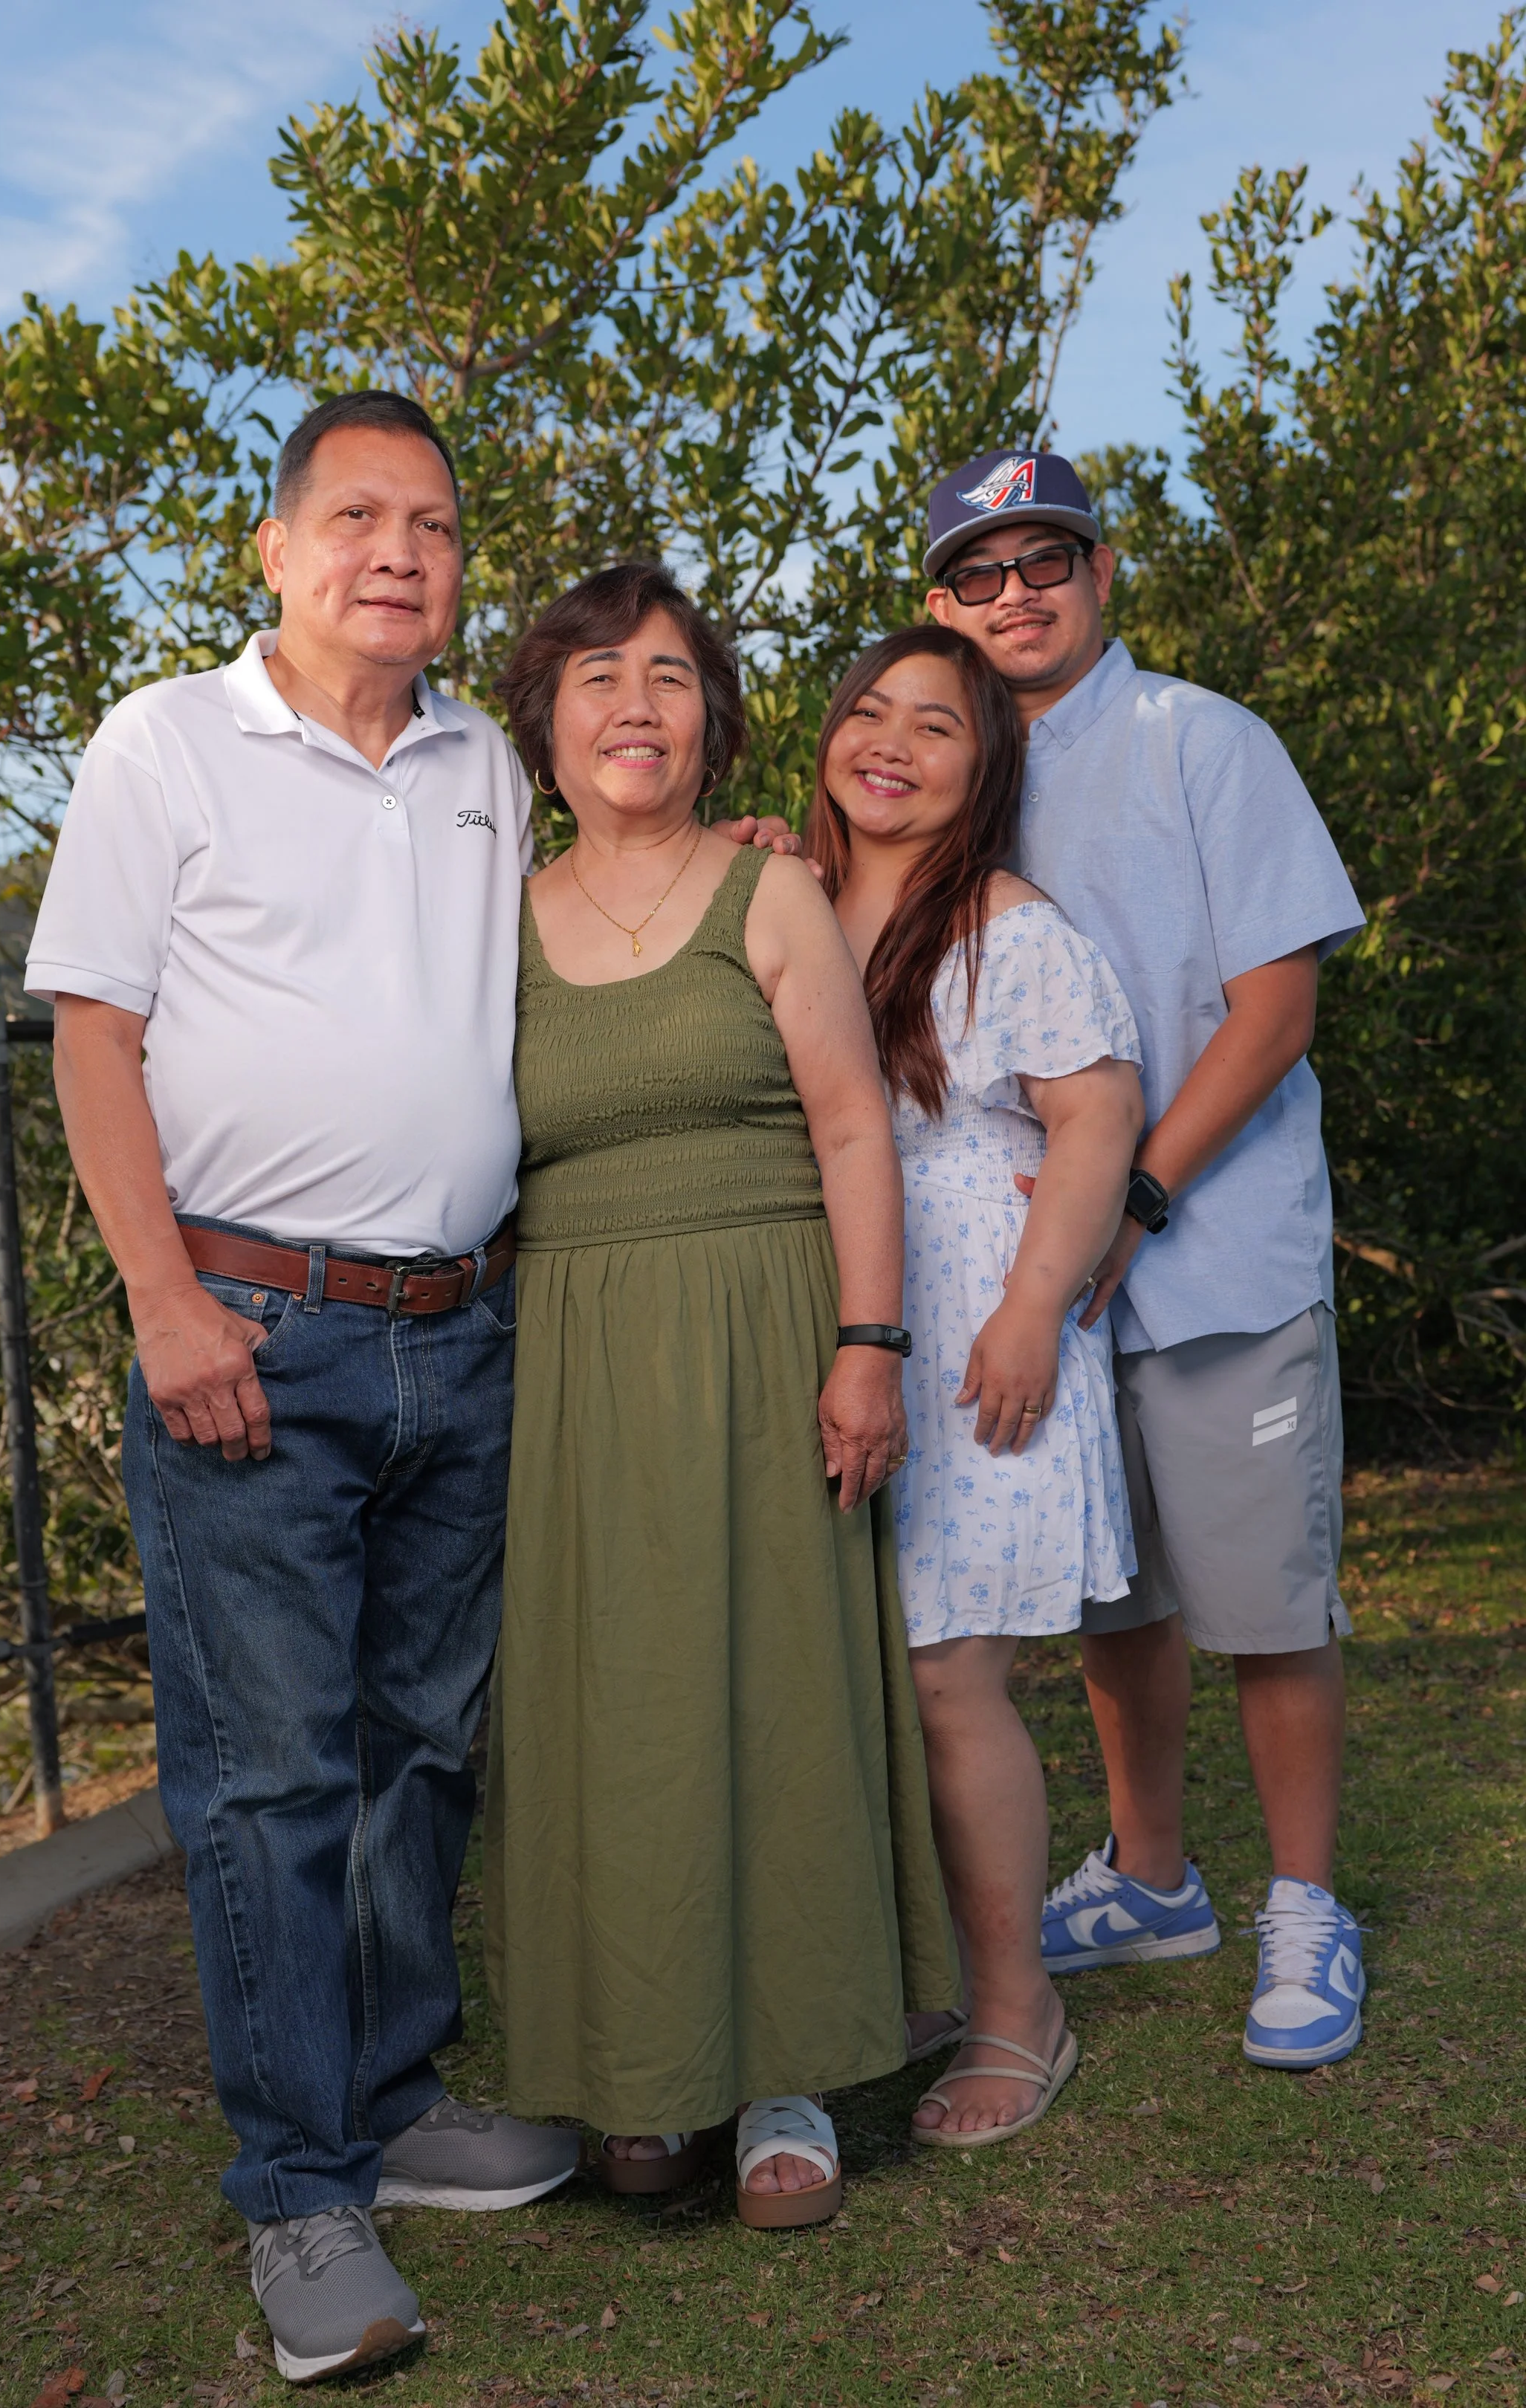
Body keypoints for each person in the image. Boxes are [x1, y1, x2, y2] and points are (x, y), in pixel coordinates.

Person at [24, 394, 786, 2381]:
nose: (399, 553)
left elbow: (618, 878)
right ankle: (298, 2193)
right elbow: (94, 1041)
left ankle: (395, 2097)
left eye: (435, 527)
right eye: (357, 516)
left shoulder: (479, 766)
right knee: (270, 1780)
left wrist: (740, 848)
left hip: (464, 1334)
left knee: (422, 1747)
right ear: (274, 549)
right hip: (249, 1337)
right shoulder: (166, 744)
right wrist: (165, 1306)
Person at [483, 562, 958, 2229]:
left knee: (776, 1689)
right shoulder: (491, 920)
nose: (636, 704)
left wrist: (869, 1344)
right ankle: (644, 2069)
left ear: (715, 722)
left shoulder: (767, 899)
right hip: (581, 1357)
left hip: (768, 1332)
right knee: (615, 1712)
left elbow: (850, 1128)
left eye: (672, 677)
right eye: (601, 675)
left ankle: (789, 2075)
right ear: (544, 721)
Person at [921, 446, 1369, 2070]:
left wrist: (1140, 1201)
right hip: (1051, 1278)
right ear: (940, 606)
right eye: (981, 571)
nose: (1017, 593)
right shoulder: (953, 768)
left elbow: (1276, 1009)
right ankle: (1156, 1877)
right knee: (1120, 1601)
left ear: (1105, 576)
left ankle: (1308, 1907)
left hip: (1215, 1253)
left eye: (1048, 561)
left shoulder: (1202, 740)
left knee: (1263, 1603)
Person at [809, 626, 1144, 2144]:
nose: (890, 741)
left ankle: (1024, 2017)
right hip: (834, 1330)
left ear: (985, 765)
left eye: (934, 725)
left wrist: (1032, 1307)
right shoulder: (792, 905)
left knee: (953, 1680)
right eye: (868, 712)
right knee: (869, 1675)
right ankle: (918, 1984)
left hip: (972, 1342)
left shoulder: (1005, 925)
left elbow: (1096, 1120)